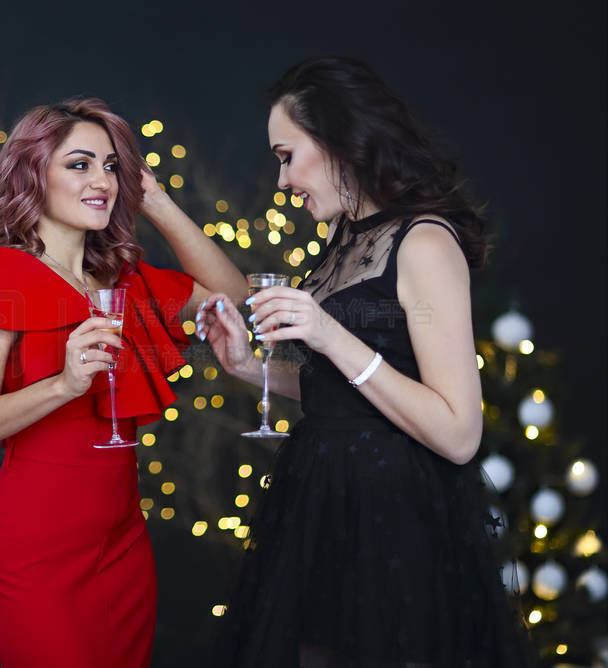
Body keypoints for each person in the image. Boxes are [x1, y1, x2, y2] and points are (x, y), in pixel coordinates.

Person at [196, 57, 533, 666]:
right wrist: (248, 367)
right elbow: (342, 391)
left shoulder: (425, 241)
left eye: (285, 155)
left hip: (395, 516)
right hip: (321, 503)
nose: (281, 183)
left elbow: (459, 435)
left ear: (337, 143)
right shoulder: (343, 242)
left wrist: (329, 334)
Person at [0, 98, 246, 667]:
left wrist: (155, 200)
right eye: (79, 164)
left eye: (110, 166)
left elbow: (231, 300)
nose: (101, 179)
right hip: (37, 552)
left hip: (123, 543)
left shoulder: (126, 282)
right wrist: (63, 385)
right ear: (34, 173)